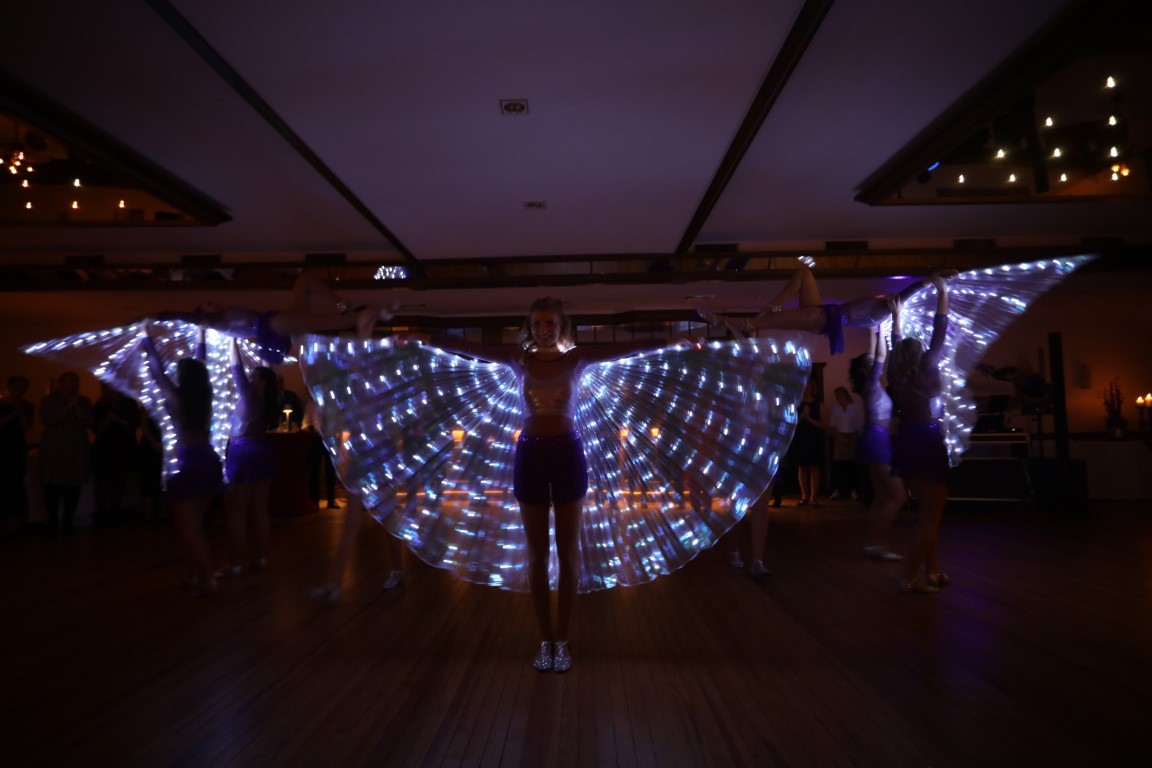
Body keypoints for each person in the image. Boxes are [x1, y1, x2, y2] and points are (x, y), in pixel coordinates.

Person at [427, 297, 696, 673]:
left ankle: (563, 639)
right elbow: (471, 349)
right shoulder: (518, 360)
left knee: (568, 555)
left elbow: (625, 348)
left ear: (561, 326)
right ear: (529, 327)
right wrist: (428, 339)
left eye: (550, 323)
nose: (543, 330)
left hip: (568, 454)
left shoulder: (576, 359)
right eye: (537, 324)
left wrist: (668, 341)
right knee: (537, 556)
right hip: (530, 456)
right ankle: (545, 640)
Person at [701, 262, 957, 355]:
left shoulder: (884, 309)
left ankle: (725, 321)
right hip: (824, 312)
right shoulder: (880, 305)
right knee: (804, 274)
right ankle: (767, 309)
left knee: (764, 321)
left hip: (822, 318)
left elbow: (906, 293)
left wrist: (930, 280)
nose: (891, 295)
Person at [141, 326, 223, 597]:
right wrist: (200, 335)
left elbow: (156, 371)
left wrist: (146, 337)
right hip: (208, 461)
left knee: (189, 528)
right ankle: (194, 576)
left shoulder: (176, 398)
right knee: (195, 523)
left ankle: (209, 578)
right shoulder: (206, 397)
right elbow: (201, 363)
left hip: (187, 463)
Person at [155, 272, 390, 365]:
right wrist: (157, 316)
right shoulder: (218, 323)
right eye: (207, 304)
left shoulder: (224, 316)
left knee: (304, 281)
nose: (212, 303)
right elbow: (188, 318)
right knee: (325, 322)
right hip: (272, 326)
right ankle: (364, 317)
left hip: (274, 321)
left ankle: (346, 306)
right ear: (204, 314)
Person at [888, 274, 952, 594]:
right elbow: (940, 331)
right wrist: (943, 292)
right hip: (928, 442)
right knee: (930, 516)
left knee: (927, 514)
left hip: (907, 441)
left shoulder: (895, 375)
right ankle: (909, 575)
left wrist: (897, 318)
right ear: (920, 354)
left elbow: (894, 344)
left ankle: (933, 571)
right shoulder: (927, 367)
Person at [215, 339, 280, 578]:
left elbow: (236, 368)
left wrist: (232, 339)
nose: (249, 379)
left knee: (236, 511)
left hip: (242, 452)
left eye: (254, 376)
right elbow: (266, 370)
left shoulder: (250, 394)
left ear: (261, 381)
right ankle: (261, 558)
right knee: (260, 509)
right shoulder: (270, 398)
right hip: (262, 450)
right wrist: (264, 349)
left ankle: (234, 563)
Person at [848, 316, 905, 562]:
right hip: (876, 440)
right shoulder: (871, 384)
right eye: (870, 363)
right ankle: (877, 544)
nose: (875, 362)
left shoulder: (872, 385)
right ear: (865, 369)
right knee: (898, 496)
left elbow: (874, 353)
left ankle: (872, 544)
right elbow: (880, 354)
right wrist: (882, 327)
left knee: (882, 496)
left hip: (875, 439)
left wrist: (874, 328)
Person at [39, 372, 93, 533]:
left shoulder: (84, 401)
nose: (73, 384)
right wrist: (68, 406)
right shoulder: (49, 400)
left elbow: (89, 422)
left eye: (76, 381)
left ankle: (68, 520)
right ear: (61, 383)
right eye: (70, 381)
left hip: (76, 447)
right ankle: (53, 521)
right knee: (52, 485)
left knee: (73, 485)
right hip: (54, 448)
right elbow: (48, 420)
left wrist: (76, 406)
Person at [91, 383, 142, 526]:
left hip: (122, 447)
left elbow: (134, 425)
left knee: (119, 481)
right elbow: (95, 428)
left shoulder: (129, 404)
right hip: (104, 449)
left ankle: (116, 511)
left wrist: (117, 420)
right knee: (103, 482)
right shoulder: (100, 405)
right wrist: (108, 420)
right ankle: (103, 512)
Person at [0, 375, 35, 534]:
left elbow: (26, 427)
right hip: (2, 447)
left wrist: (20, 412)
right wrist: (14, 412)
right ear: (8, 386)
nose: (20, 389)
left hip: (17, 448)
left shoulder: (28, 405)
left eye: (23, 386)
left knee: (15, 483)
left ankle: (14, 519)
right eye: (17, 385)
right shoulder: (2, 404)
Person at [791, 375, 825, 507]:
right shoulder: (797, 403)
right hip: (800, 438)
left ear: (812, 388)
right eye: (804, 386)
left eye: (808, 386)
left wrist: (809, 418)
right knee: (802, 467)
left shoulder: (818, 404)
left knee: (814, 467)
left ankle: (813, 497)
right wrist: (802, 416)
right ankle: (804, 496)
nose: (806, 389)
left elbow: (824, 424)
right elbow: (792, 423)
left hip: (814, 438)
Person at [827, 385, 861, 501]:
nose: (838, 396)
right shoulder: (835, 408)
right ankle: (837, 490)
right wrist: (841, 438)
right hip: (839, 437)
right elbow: (833, 425)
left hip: (852, 437)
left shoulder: (853, 408)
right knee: (838, 465)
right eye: (837, 394)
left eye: (840, 393)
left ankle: (853, 490)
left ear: (845, 394)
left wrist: (852, 439)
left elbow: (857, 425)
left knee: (851, 466)